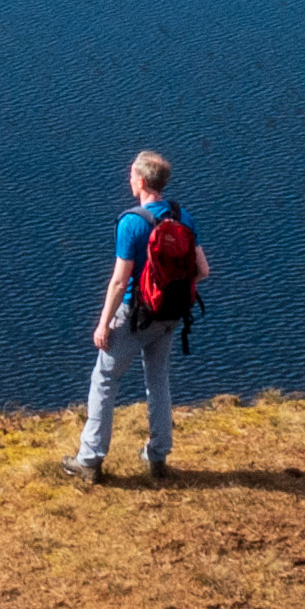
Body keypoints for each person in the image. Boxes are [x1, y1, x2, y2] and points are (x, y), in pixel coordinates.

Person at [71, 149, 200, 482]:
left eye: (131, 175)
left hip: (135, 315)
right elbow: (203, 270)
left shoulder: (132, 222)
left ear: (141, 182)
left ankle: (89, 461)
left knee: (104, 381)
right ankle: (158, 457)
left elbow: (119, 281)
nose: (128, 180)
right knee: (157, 381)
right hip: (170, 314)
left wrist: (102, 324)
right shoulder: (183, 216)